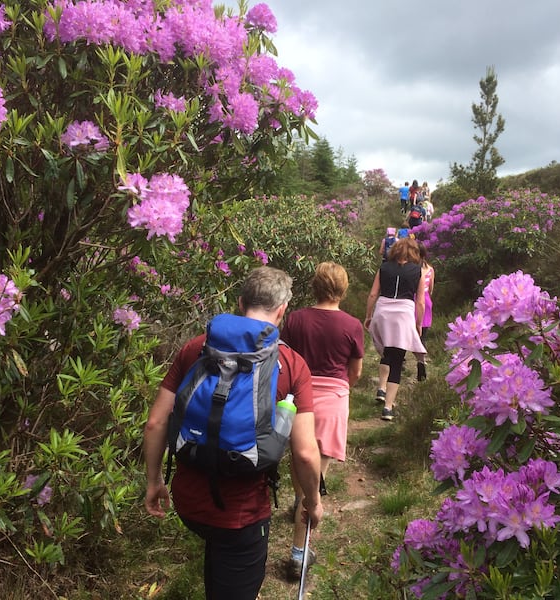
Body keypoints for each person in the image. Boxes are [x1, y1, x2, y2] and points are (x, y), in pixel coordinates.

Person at [144, 267, 324, 600]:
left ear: (241, 302)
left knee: (217, 552)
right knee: (231, 561)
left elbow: (155, 423)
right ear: (282, 309)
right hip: (242, 515)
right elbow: (304, 452)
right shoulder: (292, 364)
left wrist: (153, 481)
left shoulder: (196, 348)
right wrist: (312, 503)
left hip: (188, 502)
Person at [280, 262, 364, 580]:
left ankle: (298, 505)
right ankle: (300, 554)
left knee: (299, 461)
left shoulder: (296, 319)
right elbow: (354, 372)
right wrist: (340, 390)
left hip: (297, 400)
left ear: (314, 286)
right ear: (342, 289)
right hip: (332, 403)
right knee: (314, 485)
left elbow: (284, 360)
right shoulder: (352, 325)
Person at [363, 238, 427, 420]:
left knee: (386, 353)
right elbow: (420, 301)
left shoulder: (384, 268)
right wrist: (418, 323)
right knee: (397, 359)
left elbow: (373, 293)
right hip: (403, 314)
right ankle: (388, 407)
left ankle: (381, 388)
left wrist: (368, 315)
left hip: (383, 311)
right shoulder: (418, 271)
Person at [417, 241, 435, 380]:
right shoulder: (430, 269)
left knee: (409, 334)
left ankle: (403, 362)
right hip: (426, 302)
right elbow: (430, 290)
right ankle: (421, 361)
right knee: (422, 337)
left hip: (413, 302)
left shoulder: (411, 269)